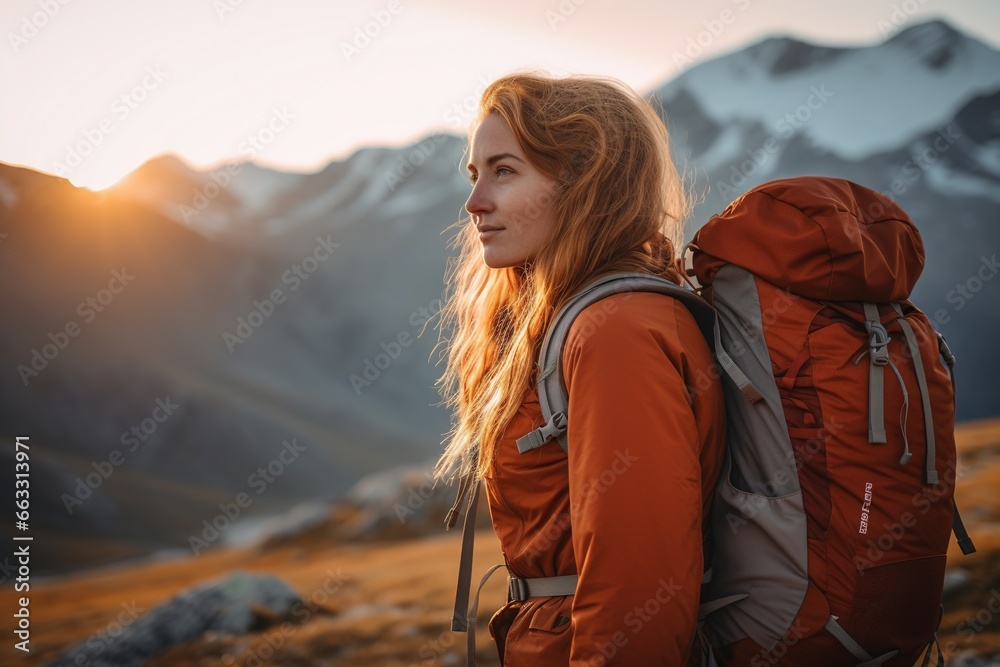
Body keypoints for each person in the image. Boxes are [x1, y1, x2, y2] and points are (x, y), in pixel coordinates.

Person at [432, 71, 727, 666]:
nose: (474, 202)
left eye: (504, 171)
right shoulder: (585, 317)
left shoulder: (614, 330)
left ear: (585, 183)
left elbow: (638, 585)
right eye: (474, 174)